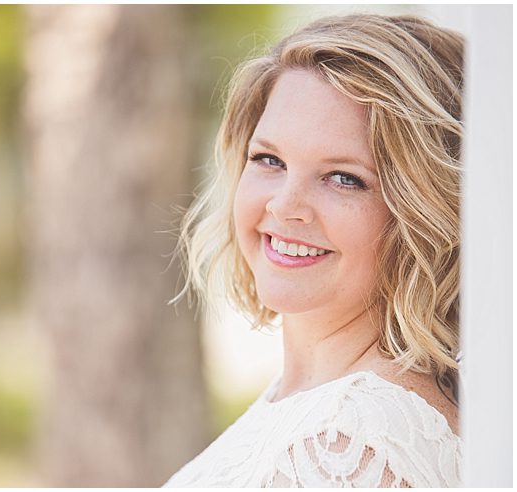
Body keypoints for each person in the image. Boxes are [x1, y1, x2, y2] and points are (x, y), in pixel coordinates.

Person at [164, 14, 462, 487]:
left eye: (344, 178)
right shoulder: (312, 405)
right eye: (269, 159)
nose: (285, 205)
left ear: (423, 213)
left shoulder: (348, 447)